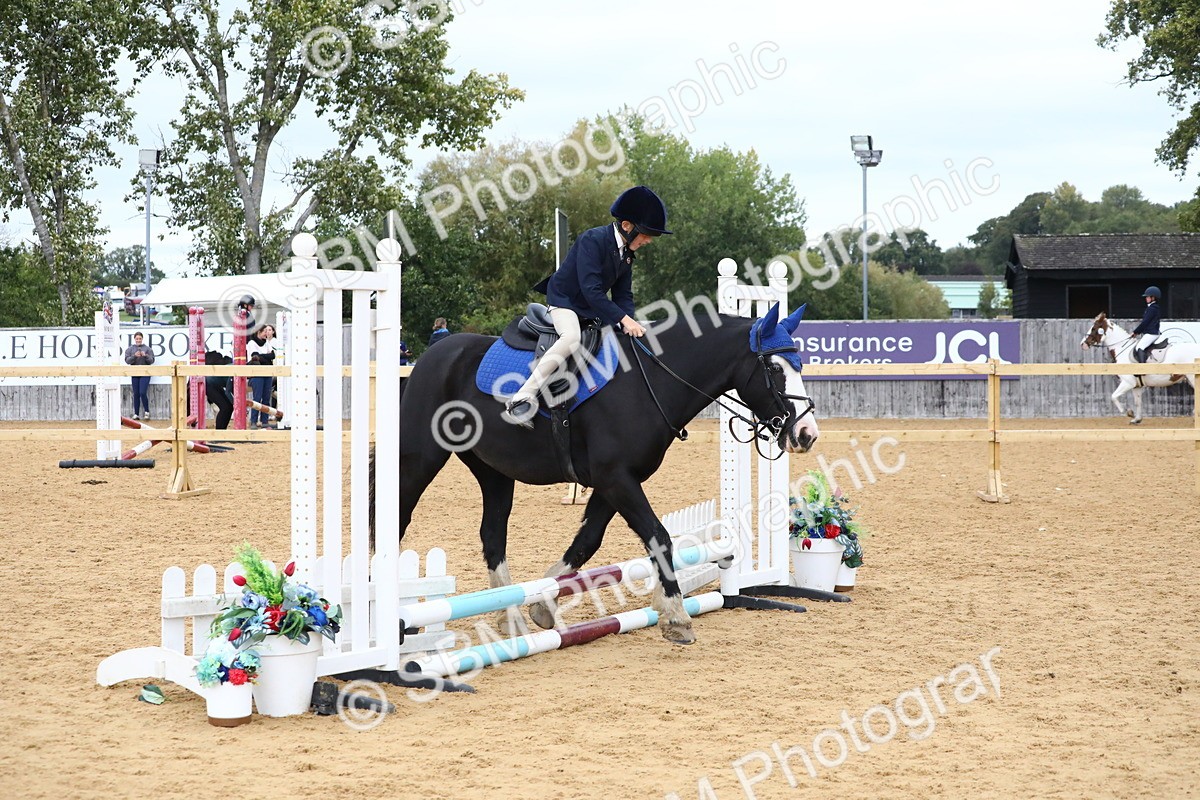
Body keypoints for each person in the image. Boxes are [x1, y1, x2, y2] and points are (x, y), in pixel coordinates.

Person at [504, 186, 671, 427]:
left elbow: (623, 296)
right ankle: (521, 398)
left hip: (590, 309)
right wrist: (623, 319)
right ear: (626, 226)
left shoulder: (626, 254)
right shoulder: (593, 240)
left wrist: (629, 322)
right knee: (571, 338)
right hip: (565, 301)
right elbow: (591, 290)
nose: (649, 240)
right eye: (646, 233)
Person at [246, 324, 277, 428]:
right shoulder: (251, 343)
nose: (266, 333)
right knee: (257, 398)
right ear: (259, 332)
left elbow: (272, 355)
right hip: (256, 375)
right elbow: (255, 357)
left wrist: (261, 357)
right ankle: (253, 421)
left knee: (266, 399)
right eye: (265, 331)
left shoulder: (267, 342)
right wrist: (265, 358)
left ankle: (264, 421)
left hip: (266, 373)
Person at [124, 332, 156, 420]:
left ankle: (147, 412)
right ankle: (136, 413)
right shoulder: (130, 349)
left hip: (145, 373)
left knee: (142, 392)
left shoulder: (148, 349)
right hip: (135, 373)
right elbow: (127, 360)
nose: (138, 340)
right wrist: (134, 356)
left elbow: (151, 361)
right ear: (134, 339)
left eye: (140, 338)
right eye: (137, 339)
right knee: (136, 393)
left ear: (142, 339)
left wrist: (145, 356)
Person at [204, 350, 235, 430]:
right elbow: (228, 392)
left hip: (214, 383)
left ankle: (221, 431)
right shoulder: (235, 371)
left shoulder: (236, 367)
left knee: (228, 407)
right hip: (208, 383)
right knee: (225, 407)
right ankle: (219, 433)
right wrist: (237, 403)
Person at [1132, 286, 1163, 363]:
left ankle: (1142, 369)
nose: (1146, 298)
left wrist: (1135, 332)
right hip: (1151, 332)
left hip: (1151, 333)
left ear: (1153, 298)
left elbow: (1145, 322)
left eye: (1148, 297)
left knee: (1139, 347)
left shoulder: (1152, 308)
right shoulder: (1152, 308)